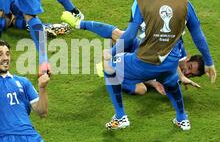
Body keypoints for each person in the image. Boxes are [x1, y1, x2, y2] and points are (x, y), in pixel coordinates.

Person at [100, 0, 216, 131]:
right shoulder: (185, 3)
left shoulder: (141, 0)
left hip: (144, 62)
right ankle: (182, 119)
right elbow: (198, 35)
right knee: (170, 81)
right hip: (169, 64)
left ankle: (120, 116)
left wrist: (113, 52)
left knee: (109, 66)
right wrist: (209, 62)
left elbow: (131, 35)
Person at [61, 12, 203, 95]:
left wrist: (154, 84)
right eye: (189, 67)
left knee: (141, 90)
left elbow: (148, 74)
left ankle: (108, 70)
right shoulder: (179, 53)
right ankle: (79, 23)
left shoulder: (173, 79)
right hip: (139, 50)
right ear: (188, 58)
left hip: (139, 65)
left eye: (191, 74)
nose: (187, 71)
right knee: (121, 35)